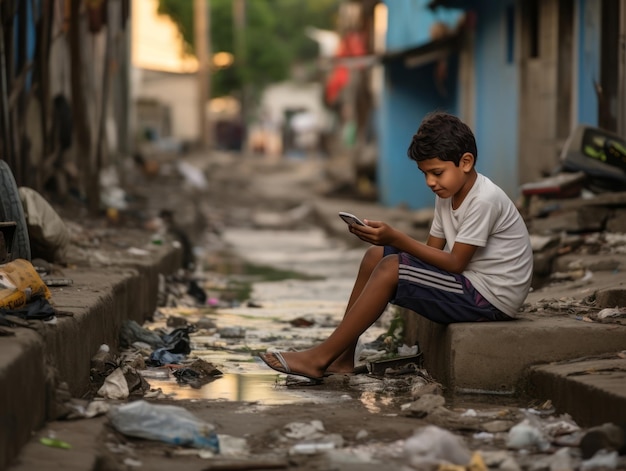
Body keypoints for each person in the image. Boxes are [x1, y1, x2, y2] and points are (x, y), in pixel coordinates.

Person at [258, 111, 534, 381]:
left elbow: (454, 263)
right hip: (470, 284)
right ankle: (342, 358)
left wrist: (397, 239)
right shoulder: (447, 195)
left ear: (465, 162)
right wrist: (385, 242)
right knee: (375, 256)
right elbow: (431, 252)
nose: (430, 182)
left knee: (392, 267)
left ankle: (318, 359)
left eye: (437, 173)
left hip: (491, 298)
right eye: (424, 174)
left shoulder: (483, 199)